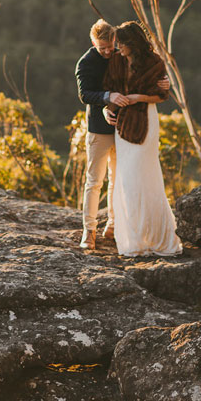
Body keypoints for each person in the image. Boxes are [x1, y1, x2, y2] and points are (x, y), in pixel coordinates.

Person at [104, 21, 183, 257]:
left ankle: (157, 237)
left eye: (121, 43)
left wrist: (139, 97)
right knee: (126, 179)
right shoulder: (116, 61)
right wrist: (107, 108)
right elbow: (108, 88)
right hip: (123, 122)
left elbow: (162, 95)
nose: (118, 46)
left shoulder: (153, 62)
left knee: (145, 176)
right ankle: (134, 239)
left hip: (145, 120)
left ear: (132, 44)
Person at [75, 20, 129, 250]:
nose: (108, 51)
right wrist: (107, 98)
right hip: (98, 128)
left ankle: (114, 226)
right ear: (93, 42)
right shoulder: (85, 63)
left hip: (124, 127)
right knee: (94, 181)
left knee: (118, 180)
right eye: (102, 47)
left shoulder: (121, 56)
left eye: (110, 46)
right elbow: (84, 94)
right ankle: (89, 231)